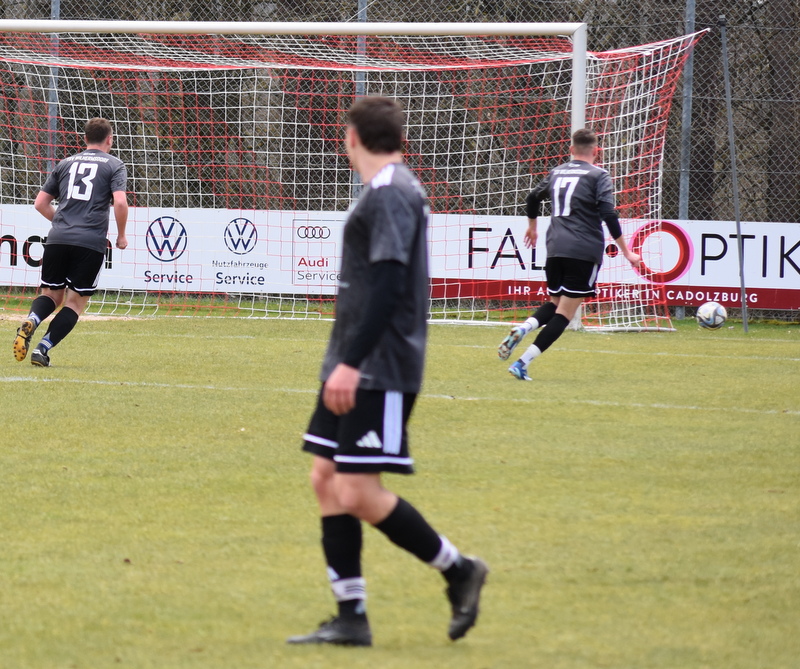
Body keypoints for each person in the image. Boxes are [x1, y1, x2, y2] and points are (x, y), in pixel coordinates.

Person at [288, 96, 488, 647]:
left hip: (378, 366)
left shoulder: (394, 191)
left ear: (352, 138)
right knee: (326, 477)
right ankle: (351, 616)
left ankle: (459, 569)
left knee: (356, 490)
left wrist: (352, 364)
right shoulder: (383, 188)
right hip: (352, 362)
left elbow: (390, 284)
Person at [498, 128, 641, 380]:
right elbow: (608, 214)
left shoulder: (557, 172)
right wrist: (627, 252)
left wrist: (532, 227)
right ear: (596, 151)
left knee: (556, 304)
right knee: (565, 313)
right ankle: (522, 362)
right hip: (583, 250)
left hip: (555, 248)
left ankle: (524, 327)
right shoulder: (599, 175)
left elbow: (532, 198)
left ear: (572, 149)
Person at [12, 117, 128, 367]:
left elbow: (40, 203)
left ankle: (32, 319)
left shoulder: (65, 163)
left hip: (58, 238)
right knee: (74, 303)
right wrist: (121, 235)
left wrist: (63, 223)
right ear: (110, 139)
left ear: (85, 139)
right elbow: (120, 202)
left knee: (51, 295)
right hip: (90, 242)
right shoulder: (115, 165)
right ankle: (42, 349)